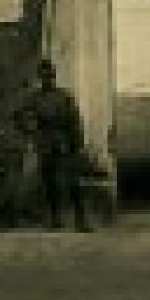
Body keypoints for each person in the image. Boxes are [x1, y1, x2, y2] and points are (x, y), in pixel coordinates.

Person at [18, 58, 89, 231]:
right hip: (45, 142)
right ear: (39, 78)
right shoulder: (33, 99)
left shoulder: (64, 96)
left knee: (73, 181)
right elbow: (21, 117)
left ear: (54, 76)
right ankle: (55, 219)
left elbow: (74, 119)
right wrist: (30, 131)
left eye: (49, 76)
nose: (46, 79)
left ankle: (81, 220)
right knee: (49, 182)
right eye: (43, 76)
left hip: (64, 141)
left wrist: (77, 142)